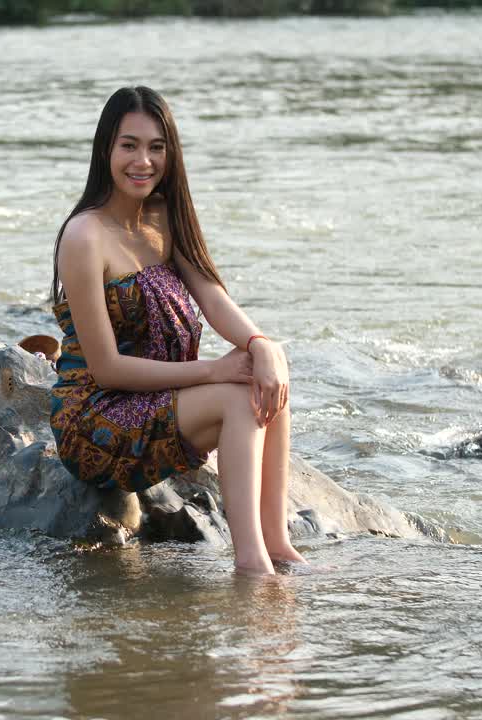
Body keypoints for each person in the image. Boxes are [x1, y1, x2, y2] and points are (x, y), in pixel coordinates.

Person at [49, 86, 304, 576]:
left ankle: (279, 546)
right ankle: (251, 564)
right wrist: (211, 370)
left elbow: (212, 296)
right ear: (106, 149)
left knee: (269, 371)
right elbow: (106, 369)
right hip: (95, 420)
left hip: (159, 399)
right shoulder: (85, 236)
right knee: (235, 395)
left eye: (156, 147)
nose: (143, 161)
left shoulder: (163, 216)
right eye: (129, 145)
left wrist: (260, 345)